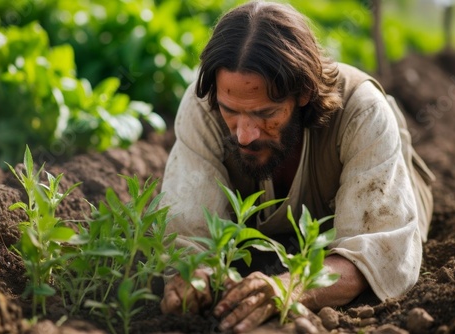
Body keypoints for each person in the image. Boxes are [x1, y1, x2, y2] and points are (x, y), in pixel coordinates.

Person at [158, 1, 435, 332]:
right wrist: (192, 278)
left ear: (303, 93)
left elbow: (380, 249)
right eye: (231, 111)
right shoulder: (205, 105)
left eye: (265, 114)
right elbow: (186, 232)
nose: (244, 136)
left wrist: (290, 287)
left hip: (385, 182)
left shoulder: (361, 113)